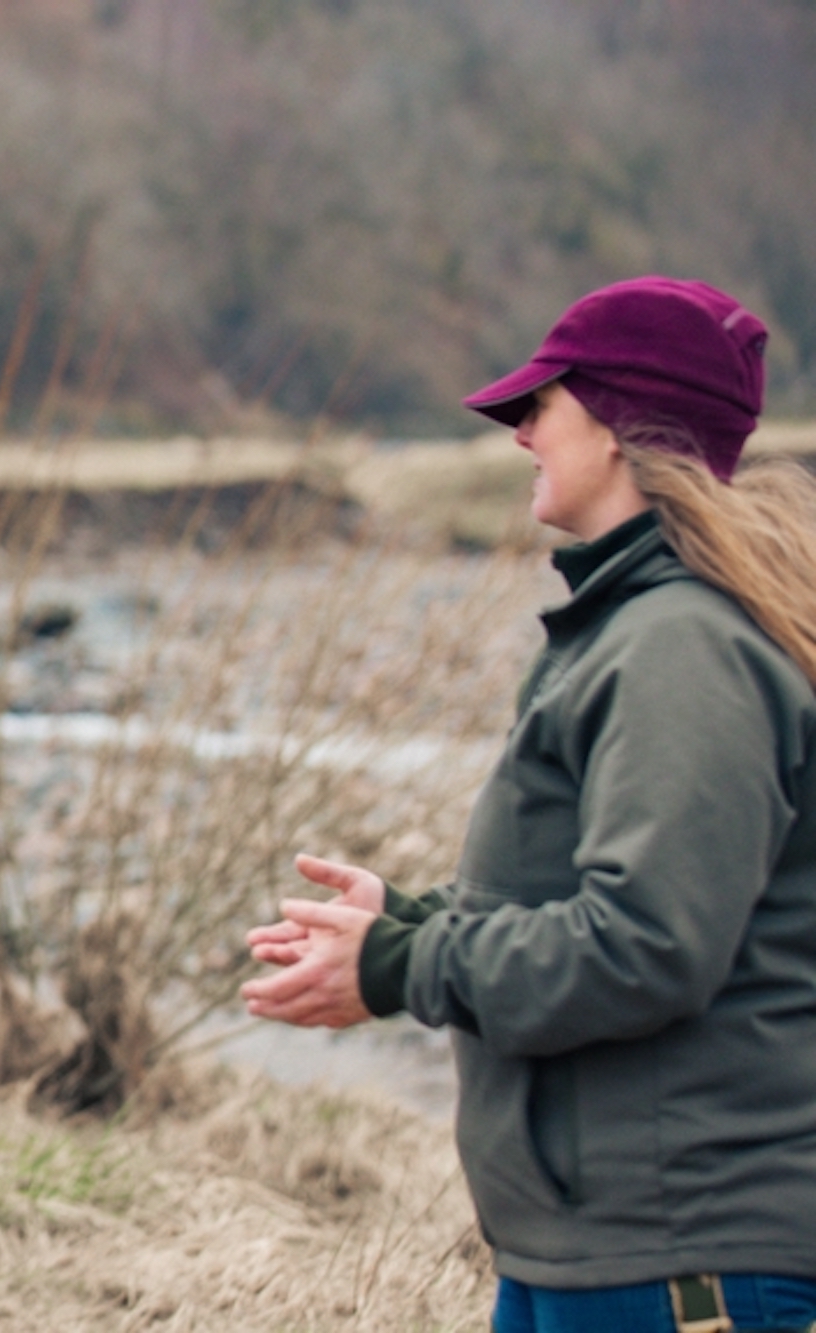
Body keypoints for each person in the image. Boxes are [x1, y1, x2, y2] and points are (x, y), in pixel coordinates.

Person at [242, 276, 816, 1332]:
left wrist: (395, 964)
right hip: (599, 1256)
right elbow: (606, 902)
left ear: (616, 427)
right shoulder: (637, 629)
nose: (516, 435)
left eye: (536, 404)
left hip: (683, 1265)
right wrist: (410, 922)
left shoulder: (679, 646)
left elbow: (644, 945)